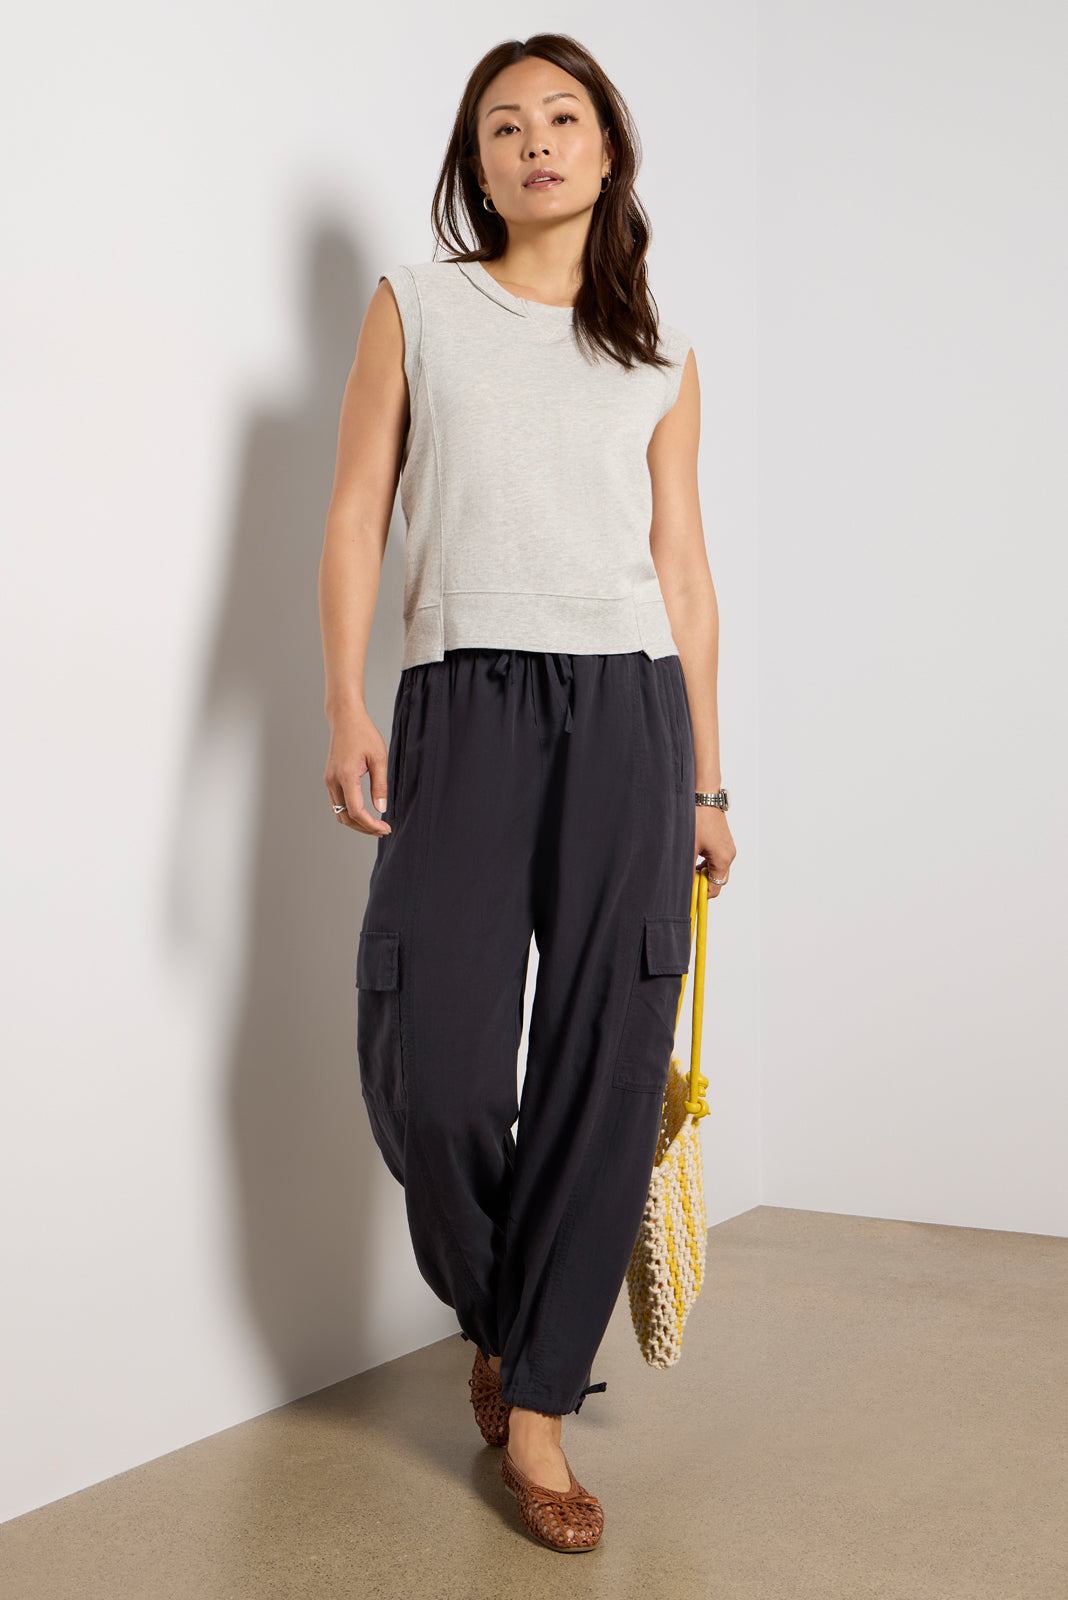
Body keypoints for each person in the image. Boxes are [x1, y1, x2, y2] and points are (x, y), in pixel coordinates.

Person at [318, 32, 736, 1554]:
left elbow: (683, 570)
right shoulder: (418, 304)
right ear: (476, 163)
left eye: (563, 117)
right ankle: (507, 1316)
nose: (537, 142)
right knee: (432, 1061)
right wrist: (347, 699)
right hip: (462, 699)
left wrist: (709, 780)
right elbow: (356, 510)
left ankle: (540, 1407)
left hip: (629, 712)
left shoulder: (659, 355)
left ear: (608, 149)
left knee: (605, 1059)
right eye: (505, 125)